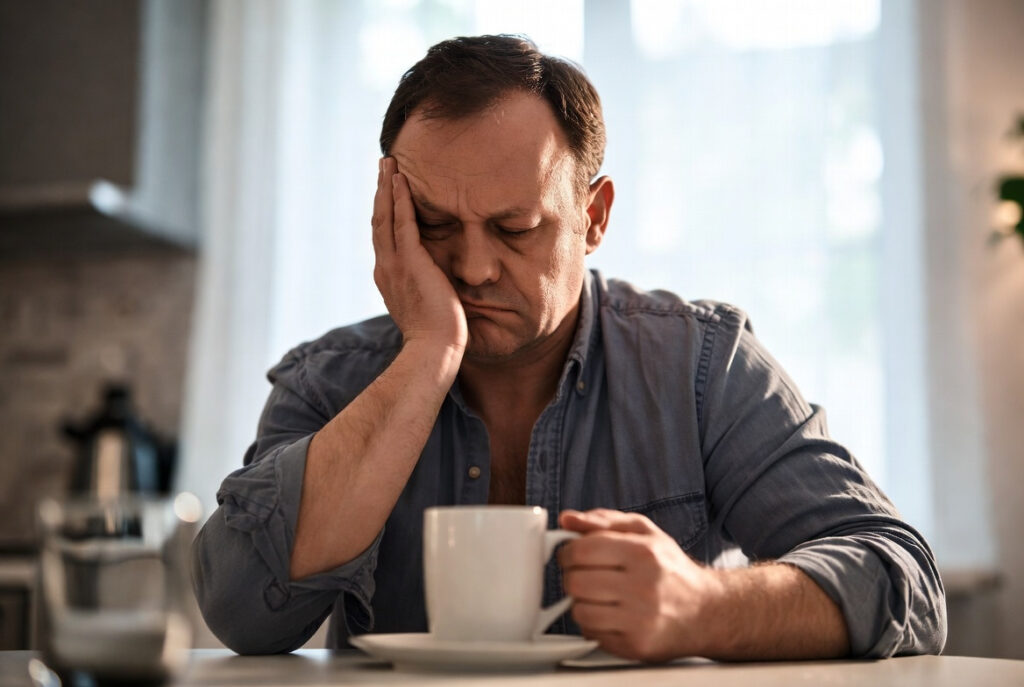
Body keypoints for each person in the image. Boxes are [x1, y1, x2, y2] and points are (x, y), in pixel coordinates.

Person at [192, 34, 946, 661]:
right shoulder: (332, 383)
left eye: (515, 229)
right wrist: (427, 353)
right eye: (433, 225)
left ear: (594, 216)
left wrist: (701, 605)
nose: (473, 267)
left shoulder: (700, 367)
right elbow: (242, 612)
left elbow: (900, 576)